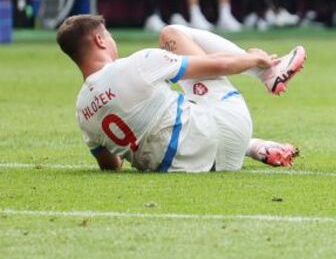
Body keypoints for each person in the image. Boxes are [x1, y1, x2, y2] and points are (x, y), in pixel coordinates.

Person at [58, 14, 305, 173]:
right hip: (227, 129)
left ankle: (253, 147)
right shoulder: (137, 63)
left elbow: (112, 166)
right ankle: (269, 73)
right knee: (171, 34)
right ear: (100, 40)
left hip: (204, 167)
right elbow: (218, 65)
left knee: (179, 110)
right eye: (109, 36)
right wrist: (254, 59)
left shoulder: (82, 111)